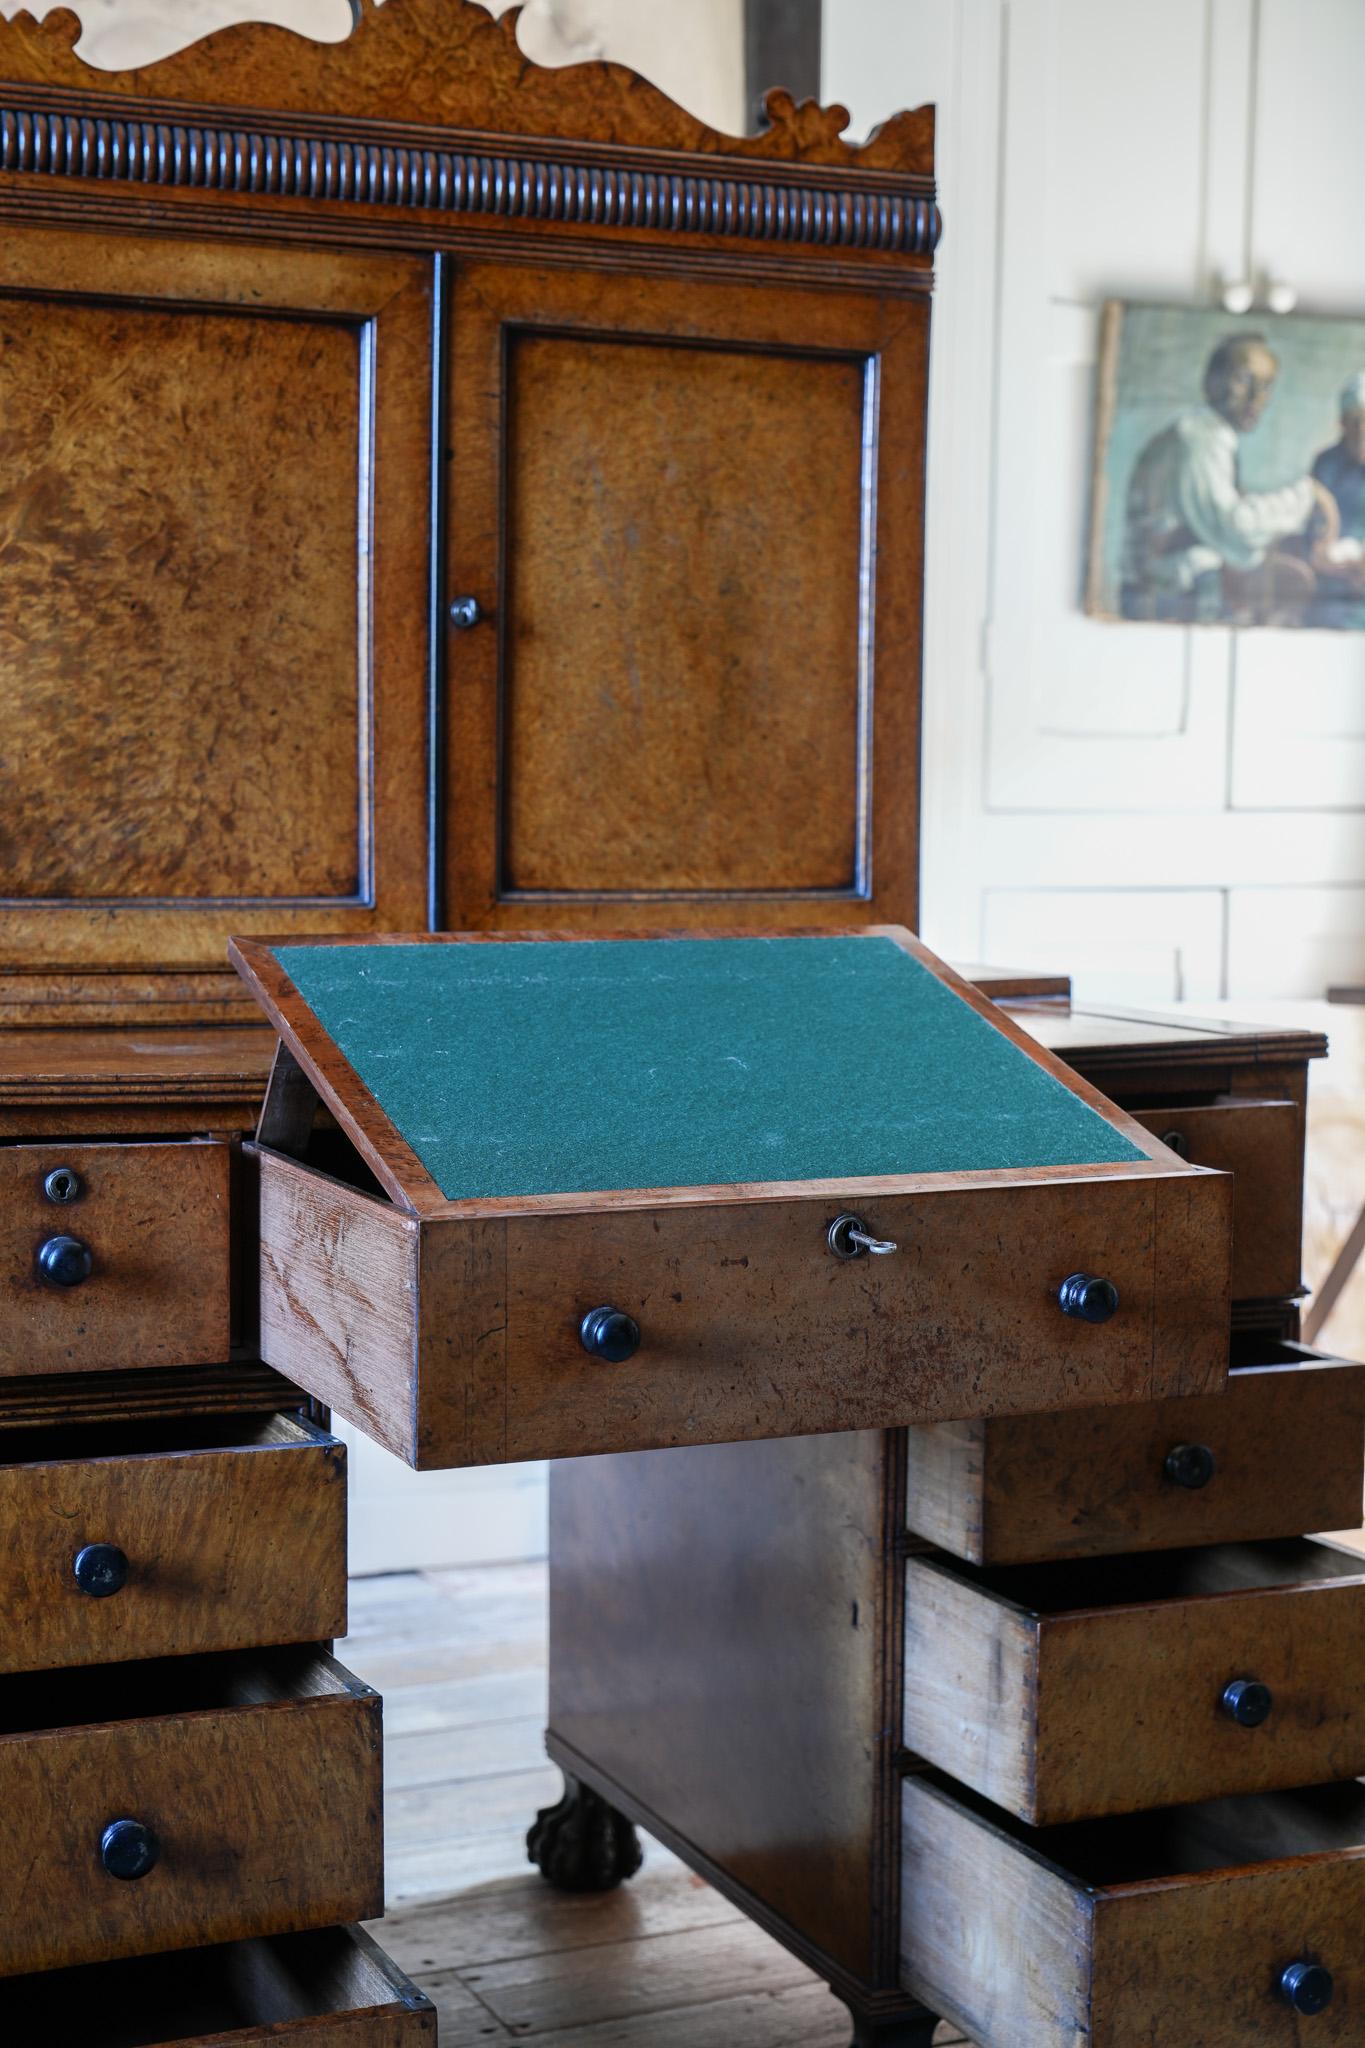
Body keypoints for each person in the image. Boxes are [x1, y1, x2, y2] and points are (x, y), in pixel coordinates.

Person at [1121, 333, 1333, 623]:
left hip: (1170, 592)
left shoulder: (1203, 436)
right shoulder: (1201, 439)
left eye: (1266, 386)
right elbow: (1233, 527)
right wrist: (1306, 496)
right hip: (1174, 597)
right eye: (1244, 379)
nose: (1257, 397)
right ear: (1211, 380)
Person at [1309, 372, 1365, 628]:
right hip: (1333, 589)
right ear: (1342, 423)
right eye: (1355, 421)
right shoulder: (1326, 466)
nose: (1362, 431)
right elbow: (1315, 542)